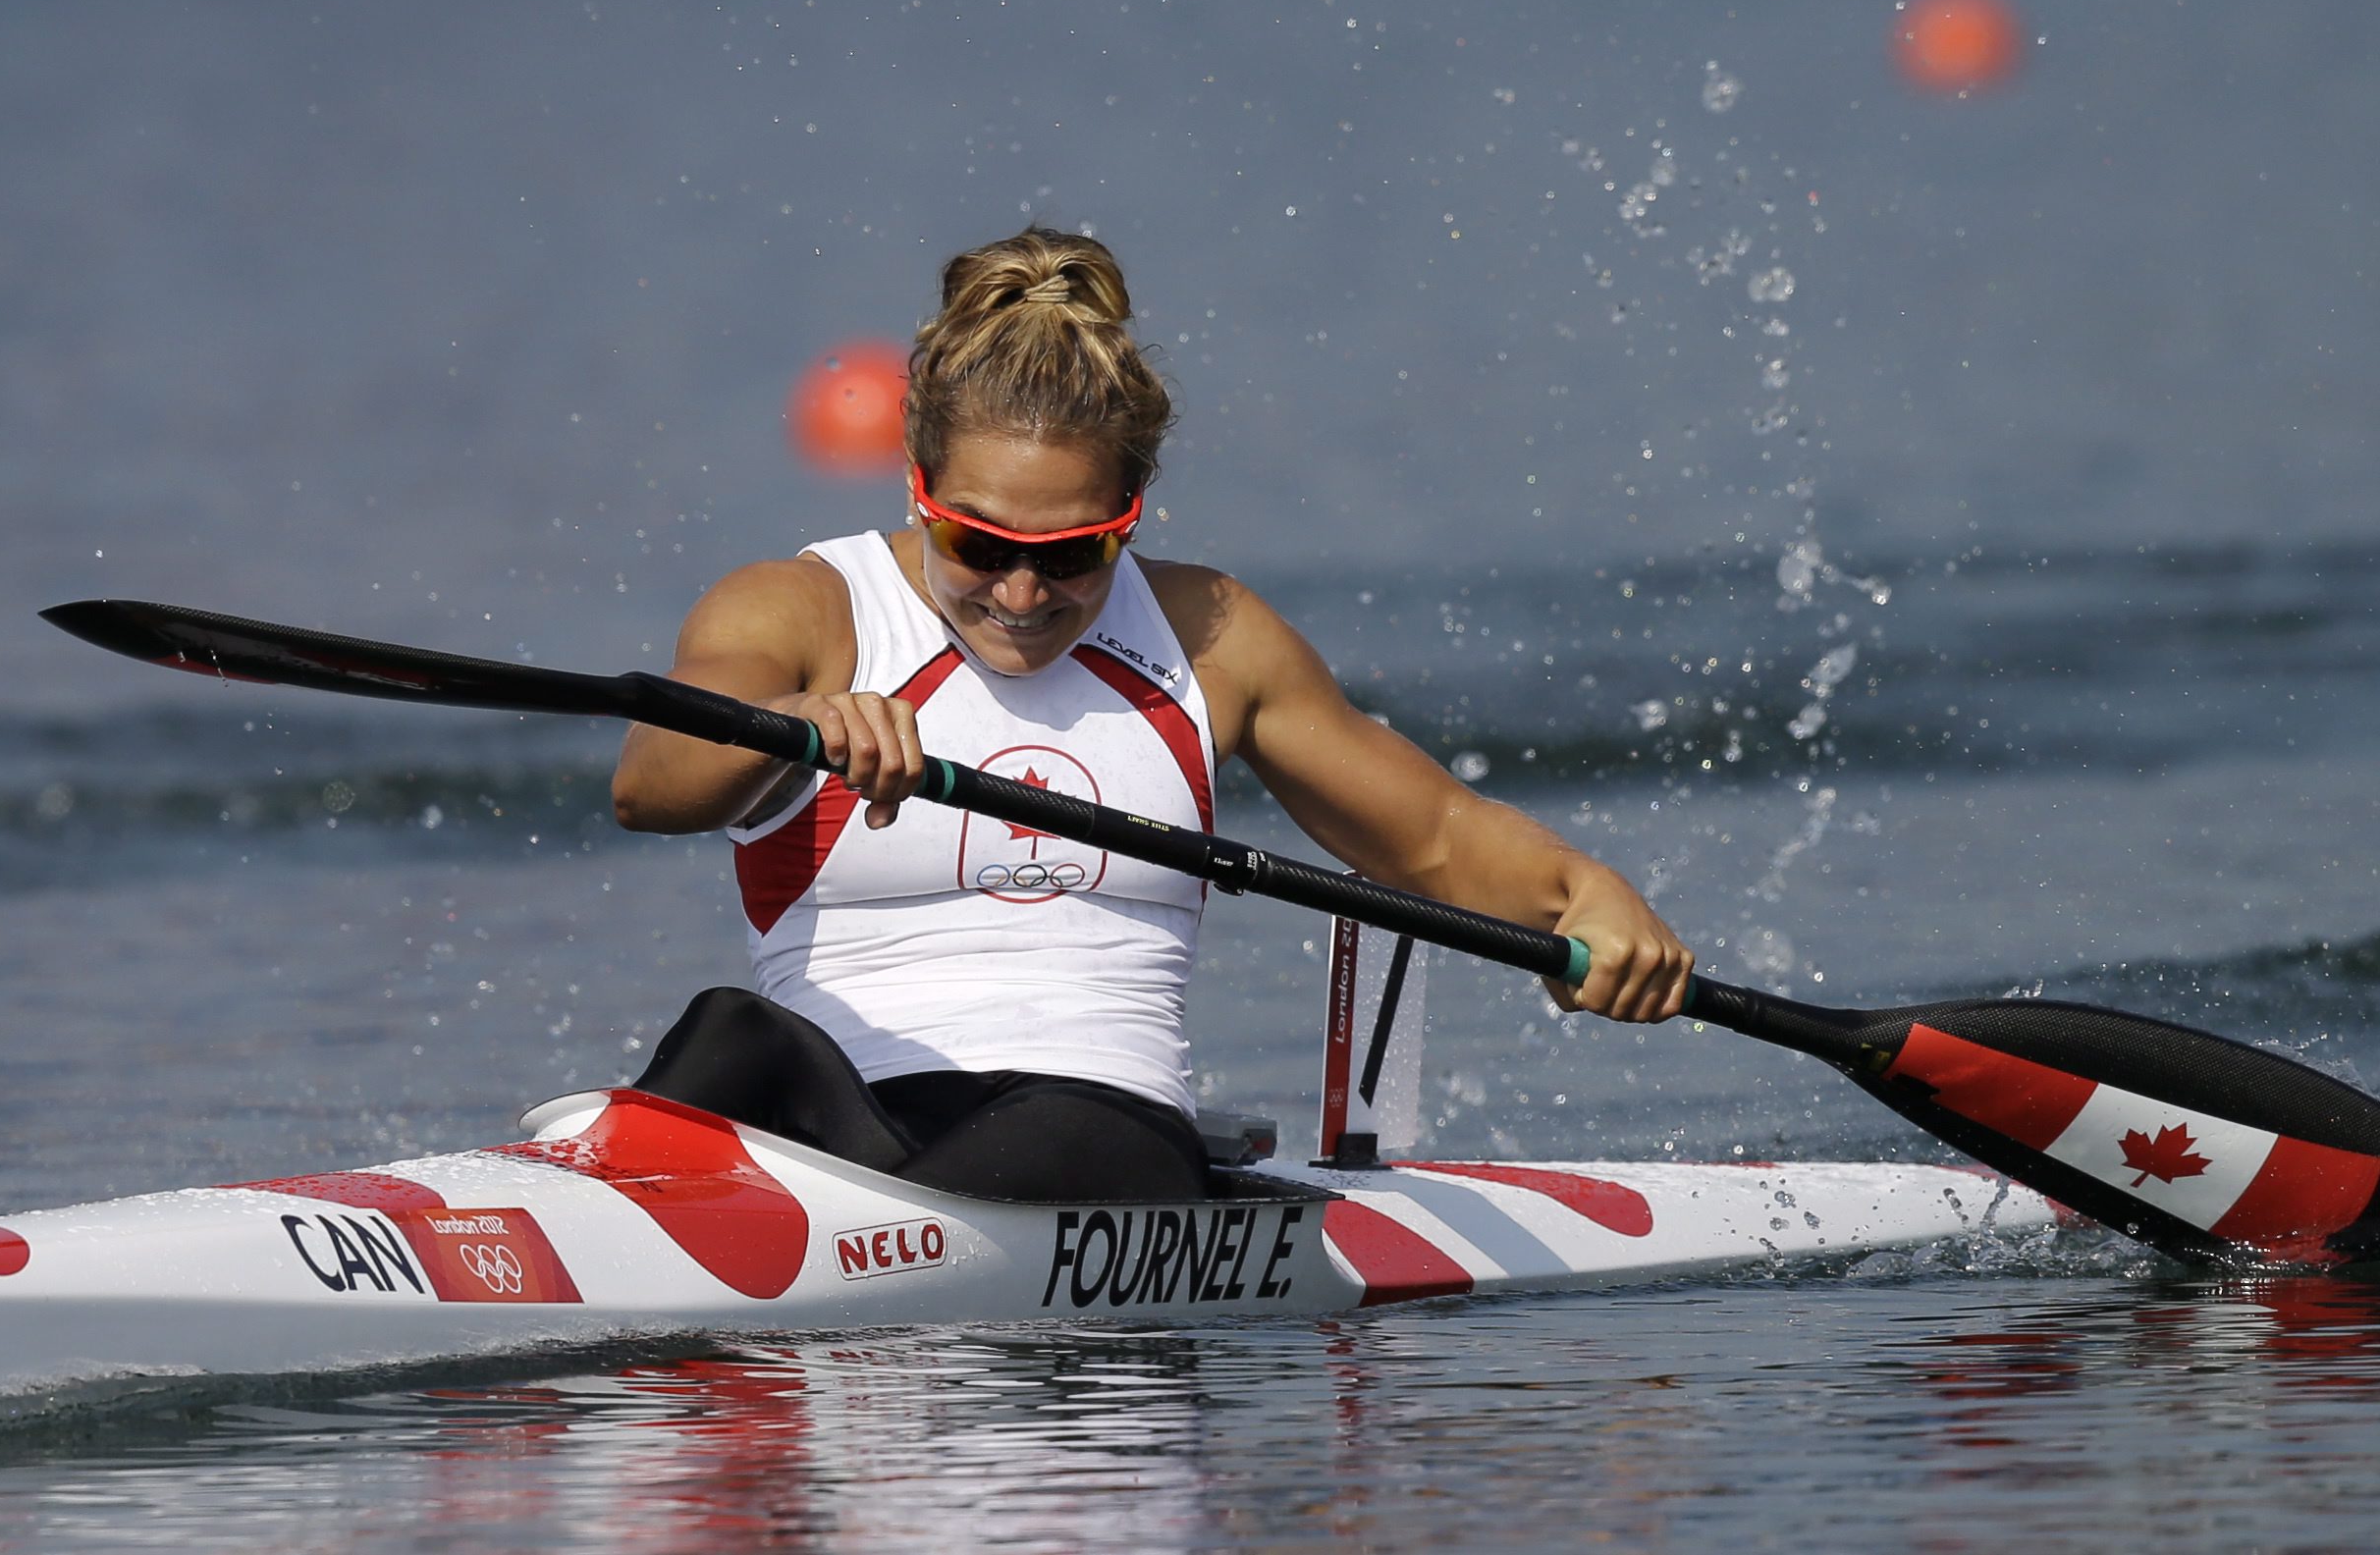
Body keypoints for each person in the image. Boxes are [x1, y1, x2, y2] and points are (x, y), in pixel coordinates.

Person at [612, 227, 1692, 1202]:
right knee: (730, 1030)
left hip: (1095, 1129)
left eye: (1073, 553)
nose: (1021, 594)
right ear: (913, 483)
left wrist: (1581, 893)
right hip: (835, 1126)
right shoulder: (801, 610)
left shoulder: (1210, 638)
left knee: (1063, 1132)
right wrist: (794, 718)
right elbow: (649, 782)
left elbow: (1434, 837)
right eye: (978, 543)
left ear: (1130, 515)